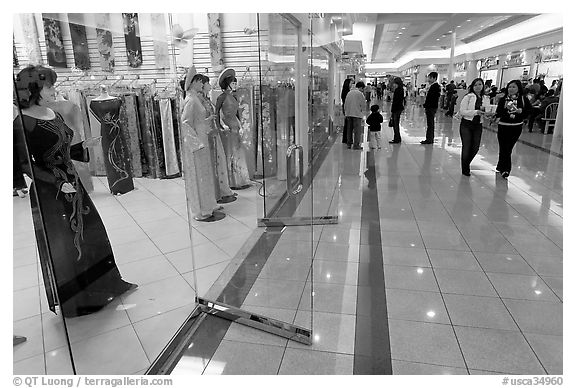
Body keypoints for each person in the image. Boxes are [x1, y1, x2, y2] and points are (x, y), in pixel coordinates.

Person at [13, 65, 137, 317]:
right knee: (66, 244)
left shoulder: (51, 112)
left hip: (72, 184)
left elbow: (61, 150)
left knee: (91, 234)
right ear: (35, 89)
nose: (53, 90)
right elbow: (26, 164)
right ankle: (79, 298)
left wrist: (82, 147)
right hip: (52, 193)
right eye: (49, 86)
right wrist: (57, 182)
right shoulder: (22, 123)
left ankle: (105, 284)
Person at [181, 72, 224, 221]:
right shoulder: (191, 100)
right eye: (199, 82)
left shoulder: (195, 99)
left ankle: (209, 204)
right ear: (192, 83)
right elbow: (185, 123)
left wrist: (207, 121)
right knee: (200, 175)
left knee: (205, 174)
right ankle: (202, 209)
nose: (201, 84)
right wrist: (195, 143)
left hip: (202, 138)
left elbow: (197, 121)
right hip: (197, 142)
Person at [197, 74, 237, 204]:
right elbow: (194, 120)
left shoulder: (206, 99)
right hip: (210, 134)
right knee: (216, 161)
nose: (210, 85)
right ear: (201, 84)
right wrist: (218, 124)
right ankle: (216, 193)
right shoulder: (198, 100)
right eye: (207, 83)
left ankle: (223, 189)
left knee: (221, 160)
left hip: (216, 132)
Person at [215, 68, 251, 189]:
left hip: (235, 127)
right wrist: (221, 126)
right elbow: (217, 113)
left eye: (235, 83)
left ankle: (241, 179)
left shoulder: (234, 97)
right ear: (227, 84)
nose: (235, 85)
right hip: (227, 128)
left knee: (238, 152)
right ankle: (232, 181)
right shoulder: (221, 97)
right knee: (230, 153)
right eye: (233, 83)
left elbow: (236, 114)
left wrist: (240, 125)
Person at [494, 80, 532, 179]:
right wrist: (504, 110)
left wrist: (521, 111)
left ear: (519, 88)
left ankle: (503, 167)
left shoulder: (523, 99)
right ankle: (504, 168)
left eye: (513, 87)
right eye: (509, 87)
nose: (511, 89)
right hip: (503, 126)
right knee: (503, 147)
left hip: (516, 127)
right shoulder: (503, 99)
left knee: (508, 148)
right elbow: (498, 112)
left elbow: (529, 111)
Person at [457, 78, 486, 176]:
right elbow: (462, 111)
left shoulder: (484, 98)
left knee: (475, 147)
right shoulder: (468, 97)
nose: (478, 87)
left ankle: (466, 163)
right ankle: (465, 168)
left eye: (480, 84)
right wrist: (476, 112)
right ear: (472, 87)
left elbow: (486, 109)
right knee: (467, 146)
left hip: (478, 125)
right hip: (466, 124)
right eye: (476, 85)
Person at [344, 81, 367, 150]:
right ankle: (356, 145)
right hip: (356, 114)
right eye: (363, 89)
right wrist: (363, 113)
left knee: (349, 129)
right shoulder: (360, 94)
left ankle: (349, 144)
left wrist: (346, 112)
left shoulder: (349, 92)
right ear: (361, 87)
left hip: (349, 113)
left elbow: (345, 103)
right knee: (357, 131)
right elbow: (363, 104)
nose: (363, 90)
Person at [421, 72, 441, 144]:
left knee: (430, 123)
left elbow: (432, 98)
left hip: (431, 107)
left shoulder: (434, 86)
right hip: (431, 107)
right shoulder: (432, 86)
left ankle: (429, 139)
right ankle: (429, 138)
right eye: (428, 77)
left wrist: (426, 105)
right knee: (430, 123)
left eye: (430, 78)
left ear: (434, 78)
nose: (428, 79)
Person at [389, 77, 405, 144]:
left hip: (396, 109)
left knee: (395, 124)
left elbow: (396, 101)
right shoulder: (401, 90)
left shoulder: (398, 90)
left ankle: (397, 138)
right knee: (396, 124)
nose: (394, 85)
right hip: (399, 108)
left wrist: (392, 110)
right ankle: (397, 138)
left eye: (395, 83)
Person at [340, 78, 353, 144]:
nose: (351, 85)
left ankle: (346, 138)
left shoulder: (345, 91)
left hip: (346, 108)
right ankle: (347, 139)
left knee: (347, 123)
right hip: (347, 108)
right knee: (348, 123)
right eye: (351, 83)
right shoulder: (347, 92)